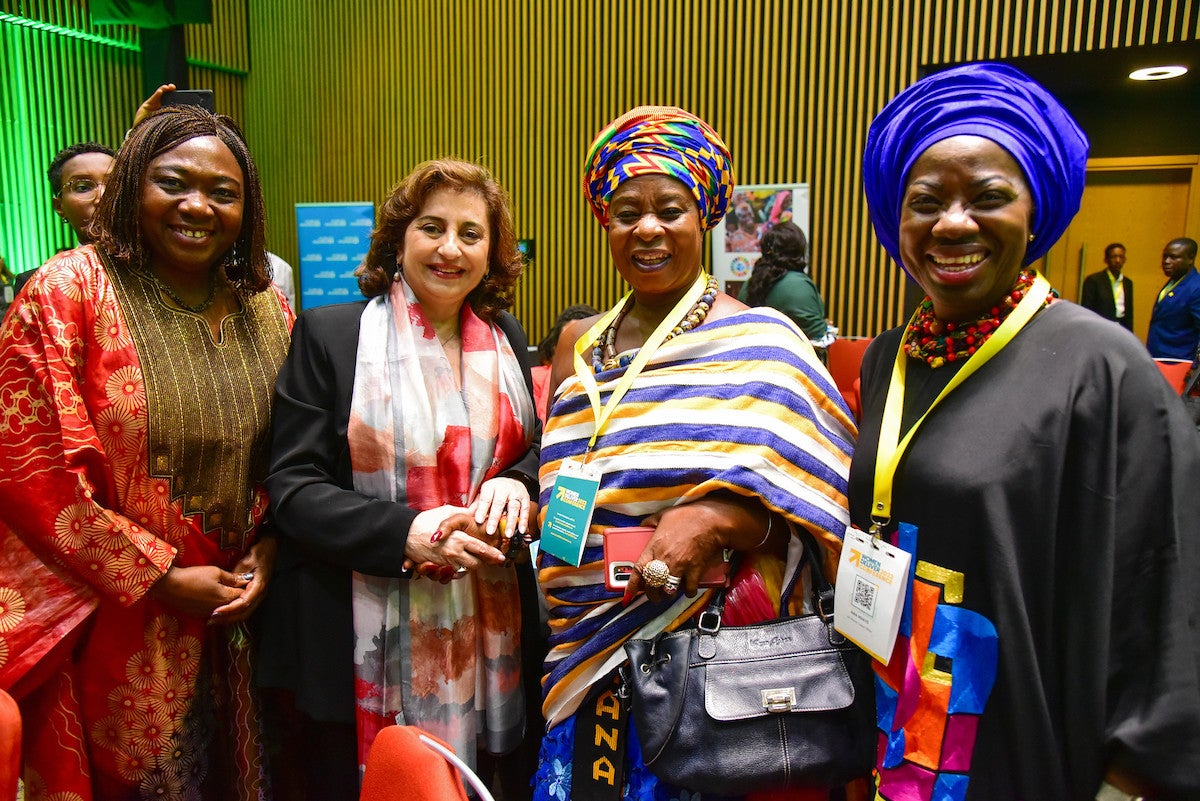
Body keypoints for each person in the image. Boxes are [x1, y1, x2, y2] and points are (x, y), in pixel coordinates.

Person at [856, 63, 1200, 800]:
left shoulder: (1102, 365)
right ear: (897, 221)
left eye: (988, 197)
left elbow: (1164, 589)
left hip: (1023, 744)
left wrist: (1132, 780)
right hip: (892, 727)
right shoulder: (891, 357)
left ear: (1033, 211)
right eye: (925, 202)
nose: (953, 222)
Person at [534, 106, 858, 800]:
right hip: (586, 654)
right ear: (605, 223)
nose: (647, 228)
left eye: (669, 209)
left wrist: (720, 522)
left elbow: (823, 515)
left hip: (713, 662)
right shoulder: (579, 347)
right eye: (626, 212)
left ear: (705, 215)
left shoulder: (765, 342)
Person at [0, 104, 292, 798]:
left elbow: (296, 448)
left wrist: (273, 545)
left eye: (223, 193)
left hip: (242, 610)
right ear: (132, 183)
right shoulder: (66, 292)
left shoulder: (265, 306)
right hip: (114, 618)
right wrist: (159, 576)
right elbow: (30, 467)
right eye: (173, 183)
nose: (197, 206)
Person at [255, 158, 543, 800]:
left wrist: (518, 482)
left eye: (471, 233)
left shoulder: (505, 339)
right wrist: (405, 534)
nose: (450, 248)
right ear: (398, 238)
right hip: (359, 618)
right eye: (432, 227)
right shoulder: (332, 335)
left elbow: (533, 450)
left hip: (487, 616)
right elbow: (293, 487)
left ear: (492, 252)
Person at [738, 221, 833, 361]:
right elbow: (818, 336)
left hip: (750, 369)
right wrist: (827, 326)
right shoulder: (800, 285)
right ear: (799, 249)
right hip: (793, 372)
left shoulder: (748, 285)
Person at [532, 303, 599, 422]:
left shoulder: (610, 376)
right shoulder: (534, 378)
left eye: (584, 345)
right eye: (569, 344)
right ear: (554, 347)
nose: (577, 353)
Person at [47, 141, 116, 244]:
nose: (102, 197)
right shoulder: (63, 261)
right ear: (59, 207)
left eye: (114, 184)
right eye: (83, 188)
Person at [1146, 237, 1200, 360]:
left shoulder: (1196, 287)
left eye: (1173, 257)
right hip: (1159, 356)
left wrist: (1196, 366)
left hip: (1179, 361)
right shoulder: (1174, 281)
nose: (1166, 261)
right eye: (1164, 256)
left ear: (1190, 258)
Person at [1079, 242, 1133, 330]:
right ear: (1106, 259)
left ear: (1125, 260)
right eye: (1114, 257)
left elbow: (1129, 313)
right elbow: (1087, 309)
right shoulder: (1094, 280)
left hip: (1121, 327)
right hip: (1100, 326)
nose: (1117, 260)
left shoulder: (1128, 283)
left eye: (1121, 257)